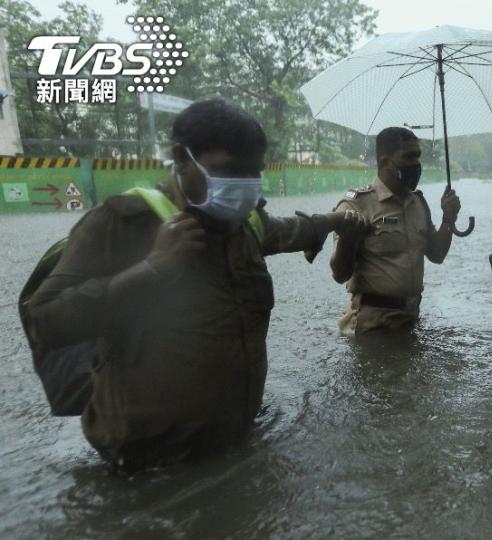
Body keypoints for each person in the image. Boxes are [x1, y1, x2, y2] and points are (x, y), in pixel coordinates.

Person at [24, 99, 364, 471]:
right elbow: (45, 320)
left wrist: (338, 219)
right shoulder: (122, 222)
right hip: (149, 466)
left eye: (254, 173)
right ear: (181, 158)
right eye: (228, 170)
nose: (243, 186)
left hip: (235, 445)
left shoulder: (245, 223)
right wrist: (153, 269)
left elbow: (294, 231)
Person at [330, 127, 461, 336]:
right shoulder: (356, 206)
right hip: (371, 326)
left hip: (410, 320)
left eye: (418, 156)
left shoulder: (418, 203)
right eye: (408, 157)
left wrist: (448, 217)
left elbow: (437, 254)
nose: (415, 164)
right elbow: (339, 274)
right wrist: (348, 237)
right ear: (384, 162)